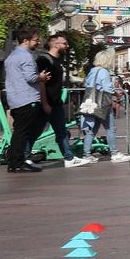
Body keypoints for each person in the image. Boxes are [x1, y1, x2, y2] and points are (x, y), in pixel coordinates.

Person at [34, 33, 89, 167]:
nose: (67, 46)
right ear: (55, 44)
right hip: (47, 103)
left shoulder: (58, 60)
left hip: (55, 103)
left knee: (61, 131)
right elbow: (41, 82)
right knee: (35, 131)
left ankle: (69, 158)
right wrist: (45, 103)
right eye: (64, 43)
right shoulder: (44, 60)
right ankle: (23, 156)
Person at [2, 26, 48, 173]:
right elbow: (30, 78)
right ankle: (17, 162)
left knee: (19, 132)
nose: (38, 42)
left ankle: (15, 162)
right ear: (26, 41)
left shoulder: (12, 56)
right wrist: (41, 77)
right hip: (27, 98)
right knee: (23, 133)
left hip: (15, 98)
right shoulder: (26, 56)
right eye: (35, 40)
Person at [80, 50, 126, 161]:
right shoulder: (104, 72)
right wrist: (117, 94)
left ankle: (86, 155)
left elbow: (87, 84)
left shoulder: (92, 71)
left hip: (91, 104)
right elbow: (107, 89)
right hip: (102, 104)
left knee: (91, 130)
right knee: (110, 128)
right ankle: (114, 153)